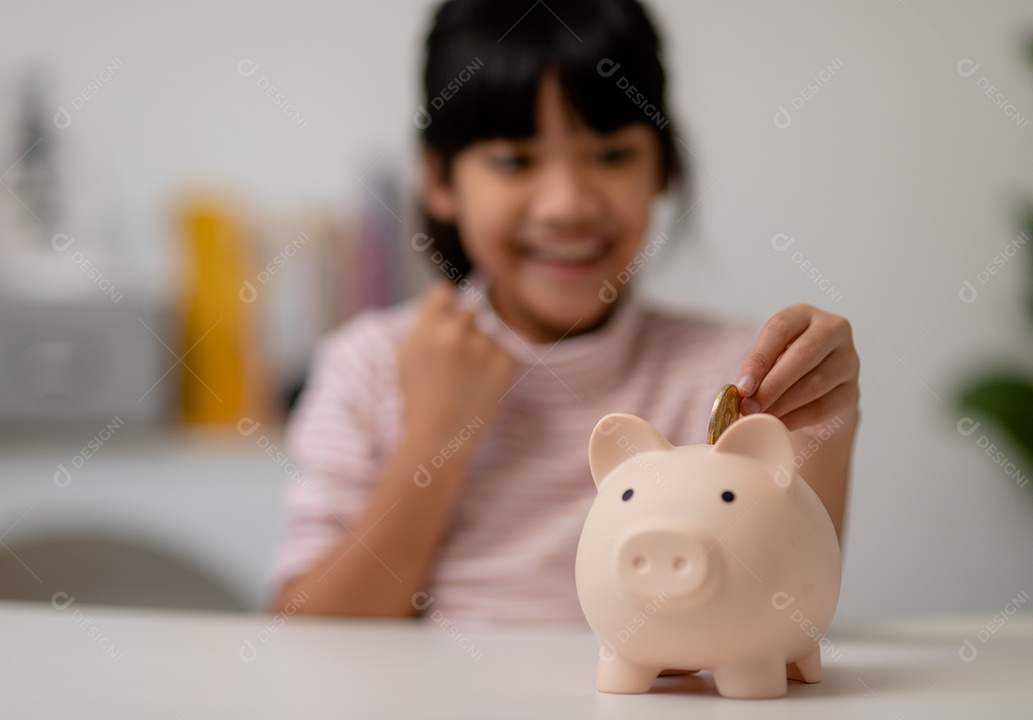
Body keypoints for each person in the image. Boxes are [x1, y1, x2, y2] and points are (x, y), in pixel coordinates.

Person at [271, 0, 859, 621]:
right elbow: (310, 634)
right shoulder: (368, 364)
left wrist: (826, 422)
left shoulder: (738, 379)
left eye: (610, 155)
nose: (567, 205)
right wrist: (436, 438)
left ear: (663, 166)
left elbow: (785, 619)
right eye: (513, 161)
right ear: (439, 179)